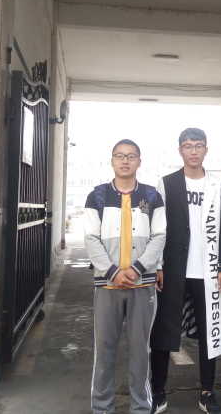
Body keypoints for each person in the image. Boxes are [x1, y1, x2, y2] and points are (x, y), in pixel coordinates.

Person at [150, 128, 221, 414]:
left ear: (206, 149)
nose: (193, 151)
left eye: (198, 145)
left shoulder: (217, 185)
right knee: (163, 332)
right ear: (180, 150)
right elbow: (159, 228)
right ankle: (158, 391)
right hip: (174, 270)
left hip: (208, 270)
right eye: (188, 146)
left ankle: (207, 392)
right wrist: (158, 266)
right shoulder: (167, 184)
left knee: (210, 333)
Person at [84, 139, 166, 414]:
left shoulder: (152, 196)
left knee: (140, 350)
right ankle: (101, 407)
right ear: (112, 161)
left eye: (131, 156)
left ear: (139, 161)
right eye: (120, 156)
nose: (125, 160)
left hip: (142, 285)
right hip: (107, 285)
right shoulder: (97, 196)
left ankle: (141, 407)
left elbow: (159, 236)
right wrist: (113, 272)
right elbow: (91, 238)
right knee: (104, 349)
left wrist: (138, 268)